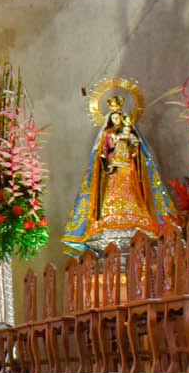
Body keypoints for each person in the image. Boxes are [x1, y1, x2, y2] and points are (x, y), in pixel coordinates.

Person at [65, 83, 171, 252]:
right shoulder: (107, 134)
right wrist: (103, 158)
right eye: (113, 117)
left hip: (128, 168)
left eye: (118, 117)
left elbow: (137, 151)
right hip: (113, 169)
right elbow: (104, 150)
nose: (116, 120)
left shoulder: (129, 133)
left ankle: (136, 216)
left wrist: (133, 148)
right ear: (109, 118)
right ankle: (109, 218)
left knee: (132, 190)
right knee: (112, 191)